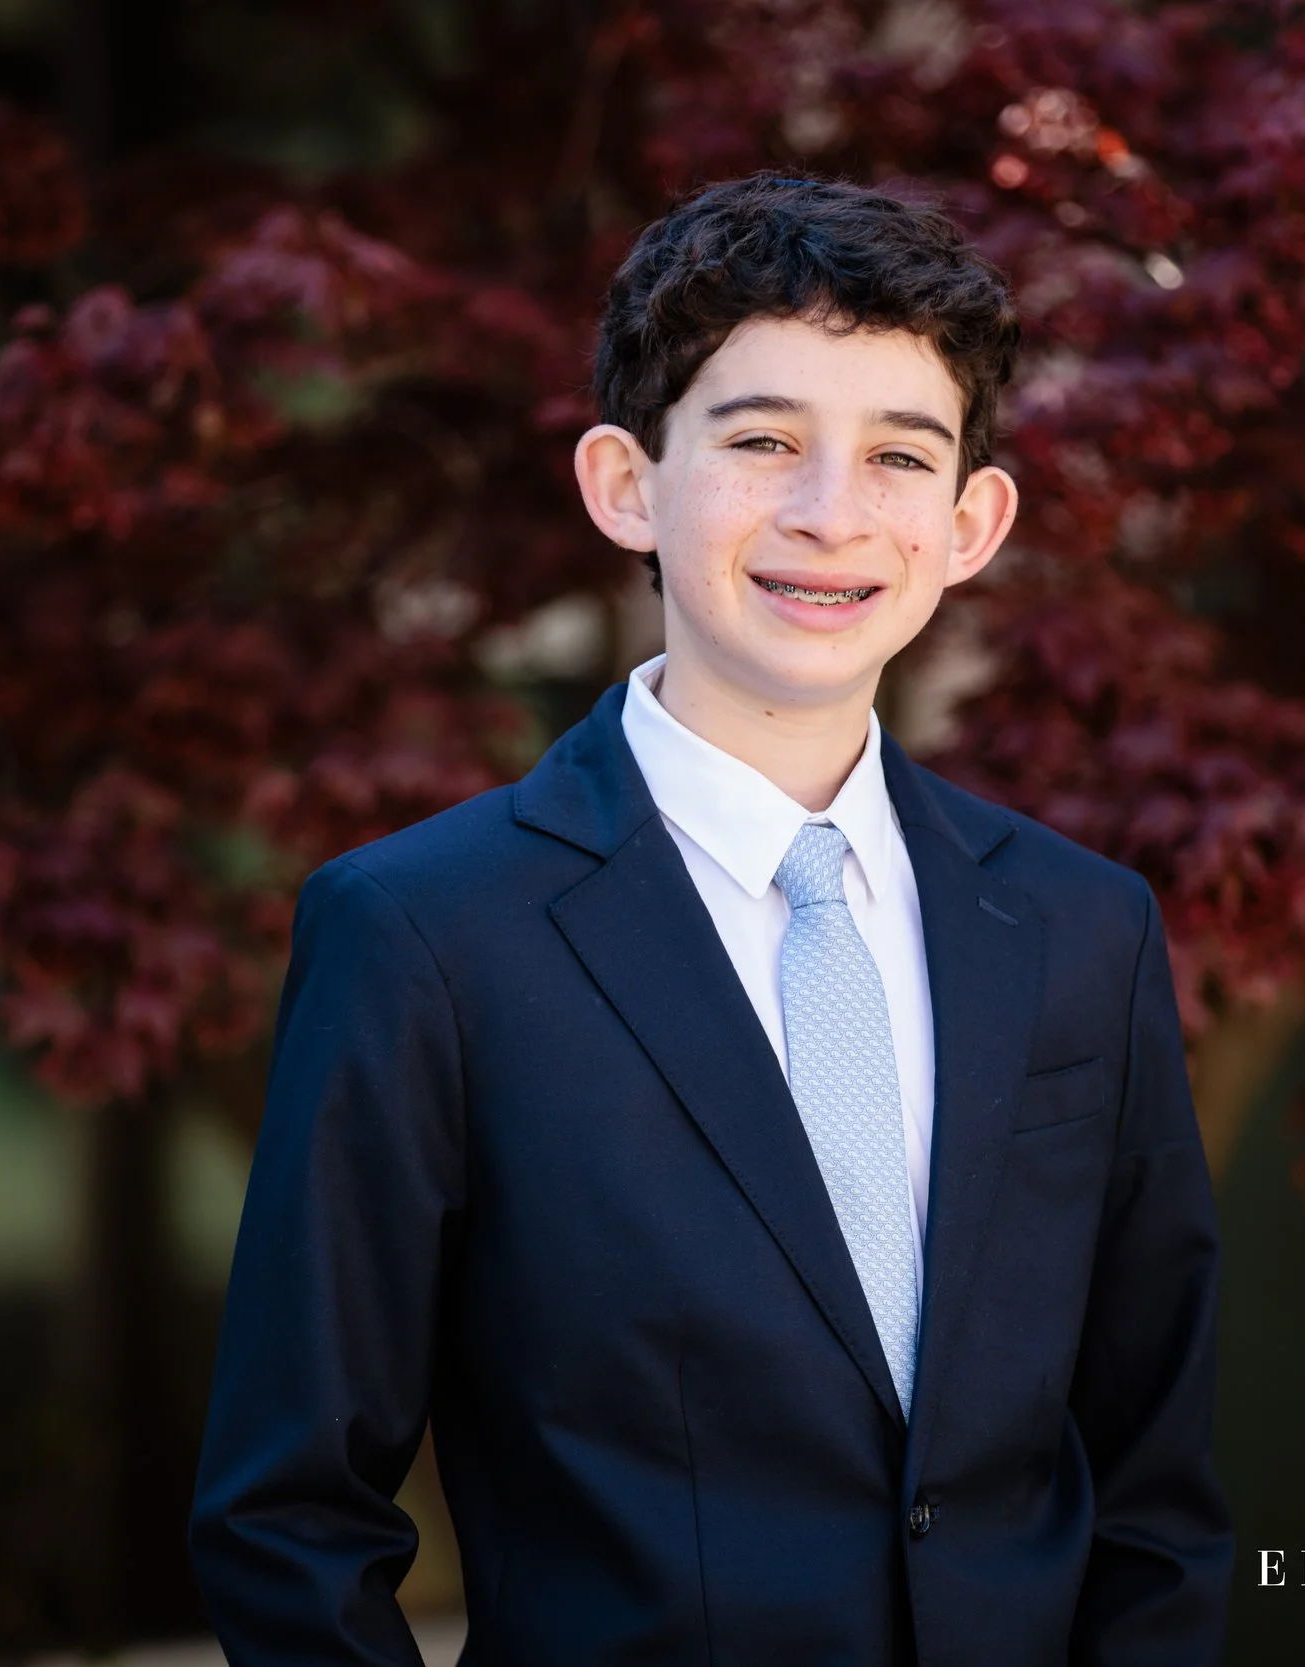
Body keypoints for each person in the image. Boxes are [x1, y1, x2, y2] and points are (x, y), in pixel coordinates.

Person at [187, 171, 1233, 1666]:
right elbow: (289, 1516)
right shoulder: (426, 937)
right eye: (761, 443)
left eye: (897, 456)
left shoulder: (1080, 928)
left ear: (973, 519)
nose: (831, 514)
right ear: (626, 483)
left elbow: (1156, 1483)